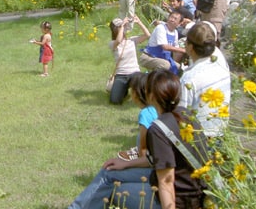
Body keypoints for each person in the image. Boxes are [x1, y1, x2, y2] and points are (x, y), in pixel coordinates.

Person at [115, 70, 209, 209]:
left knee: (118, 191)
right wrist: (126, 164)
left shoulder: (158, 129)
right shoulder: (188, 115)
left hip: (180, 201)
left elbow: (166, 182)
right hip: (199, 194)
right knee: (114, 177)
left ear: (151, 96)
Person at [68, 73, 158, 209]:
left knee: (109, 173)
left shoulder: (145, 114)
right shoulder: (159, 111)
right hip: (159, 170)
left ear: (136, 93)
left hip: (154, 170)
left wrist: (127, 163)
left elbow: (145, 154)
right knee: (116, 184)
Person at [179, 22, 231, 138]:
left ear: (190, 47)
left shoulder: (190, 78)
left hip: (199, 136)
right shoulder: (220, 63)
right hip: (221, 130)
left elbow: (181, 114)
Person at [108, 16, 151, 104]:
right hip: (121, 74)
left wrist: (139, 22)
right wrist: (123, 25)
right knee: (114, 100)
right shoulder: (112, 43)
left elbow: (147, 35)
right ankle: (124, 91)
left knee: (143, 98)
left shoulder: (132, 40)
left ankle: (138, 90)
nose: (122, 29)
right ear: (114, 29)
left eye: (122, 26)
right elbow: (119, 40)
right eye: (119, 27)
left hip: (134, 72)